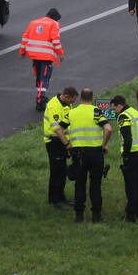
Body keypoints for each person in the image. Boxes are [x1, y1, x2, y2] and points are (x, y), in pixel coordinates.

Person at [55, 88, 111, 223]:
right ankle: (96, 216)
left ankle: (79, 215)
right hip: (95, 153)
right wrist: (103, 144)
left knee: (79, 184)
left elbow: (57, 129)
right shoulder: (97, 112)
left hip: (78, 153)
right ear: (92, 98)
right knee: (95, 185)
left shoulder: (72, 112)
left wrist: (67, 144)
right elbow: (108, 128)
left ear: (80, 98)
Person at [112, 95, 138, 223]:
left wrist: (126, 156)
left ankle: (130, 215)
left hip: (132, 154)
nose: (114, 111)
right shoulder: (136, 113)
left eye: (114, 108)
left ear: (119, 105)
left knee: (131, 186)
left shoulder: (123, 116)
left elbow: (127, 139)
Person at [20, 8, 64, 110]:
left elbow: (25, 37)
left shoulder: (33, 23)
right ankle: (40, 100)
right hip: (46, 56)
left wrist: (22, 51)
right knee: (45, 78)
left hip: (34, 56)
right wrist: (60, 54)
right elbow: (55, 40)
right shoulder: (53, 24)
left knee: (39, 77)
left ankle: (39, 97)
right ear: (55, 18)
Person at [43, 86, 77, 209]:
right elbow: (57, 129)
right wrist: (67, 145)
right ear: (66, 96)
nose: (72, 103)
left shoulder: (66, 105)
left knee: (62, 171)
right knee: (56, 171)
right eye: (72, 100)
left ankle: (61, 198)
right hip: (54, 142)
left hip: (62, 141)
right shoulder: (54, 106)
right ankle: (54, 200)